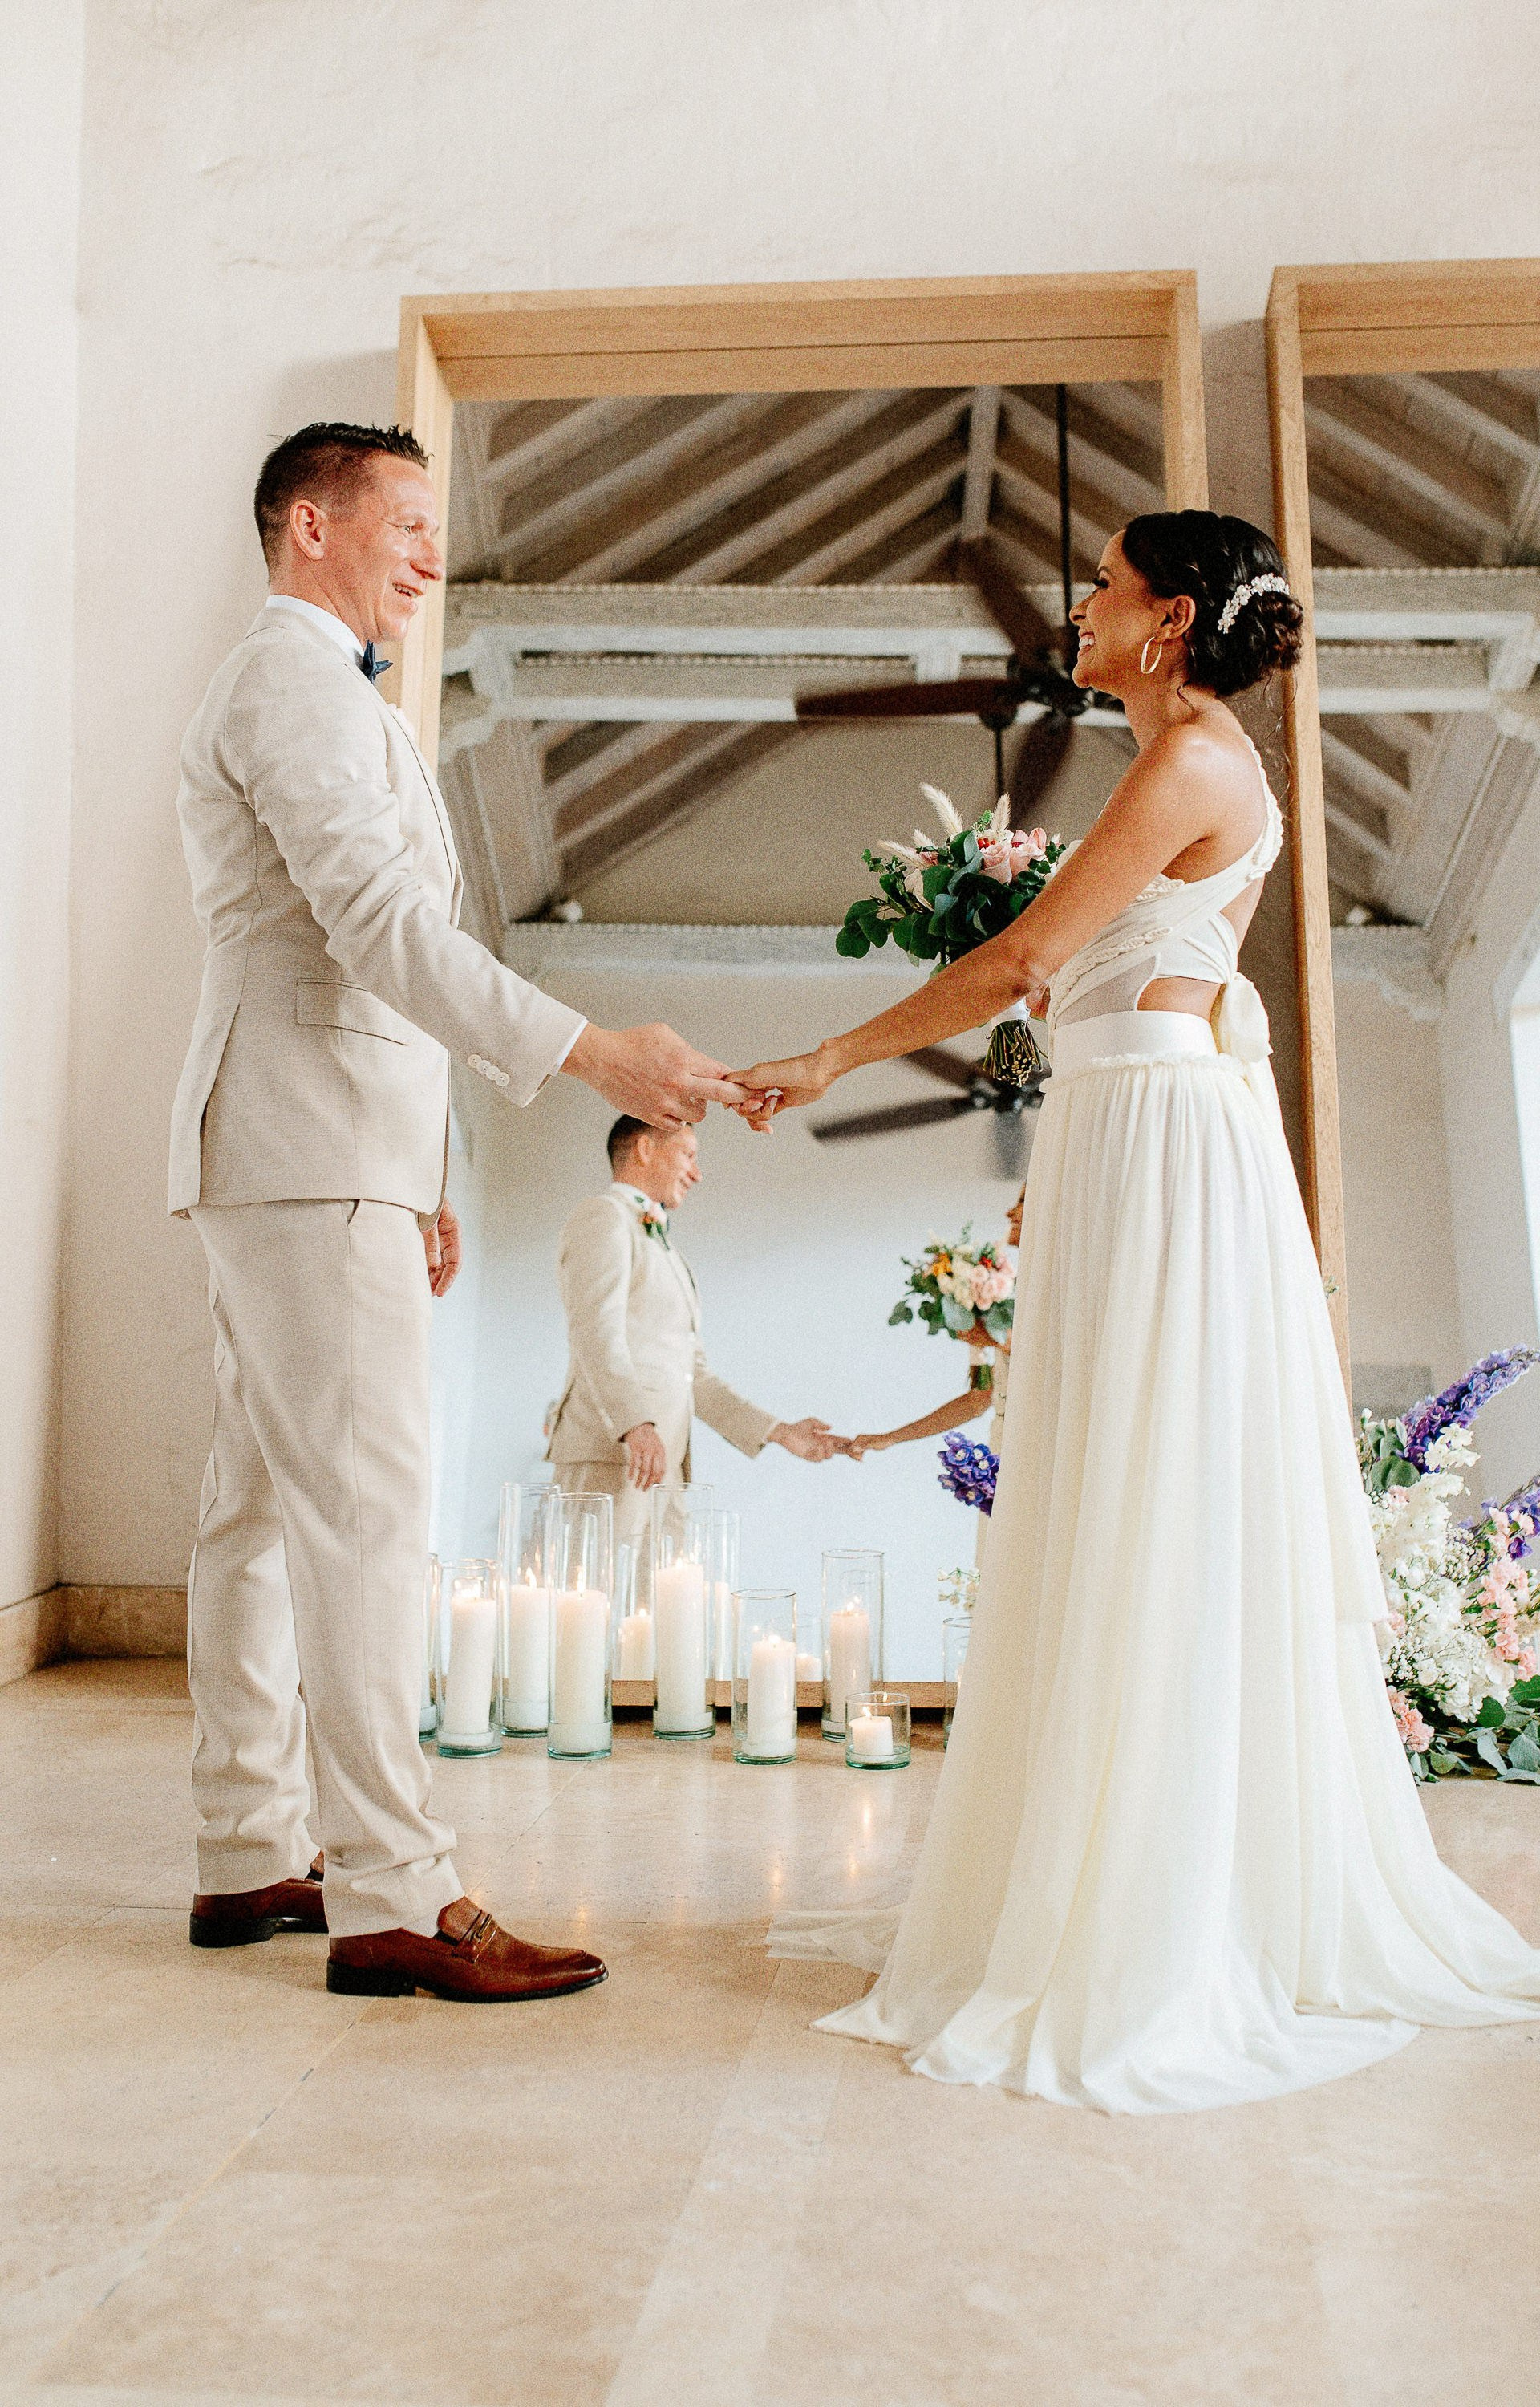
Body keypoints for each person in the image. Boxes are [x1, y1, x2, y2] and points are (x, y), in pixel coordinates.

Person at [740, 509, 1540, 2113]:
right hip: (1121, 1126)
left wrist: (827, 1058)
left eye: (1107, 585)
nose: (1078, 604)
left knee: (1146, 1490)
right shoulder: (1173, 755)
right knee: (1103, 1481)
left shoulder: (1191, 757)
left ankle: (1155, 1908)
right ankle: (1082, 1870)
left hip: (1151, 1133)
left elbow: (1022, 967)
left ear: (1170, 614)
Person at [173, 421, 747, 2004]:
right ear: (309, 524)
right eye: (406, 522)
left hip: (299, 1139)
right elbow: (371, 925)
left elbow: (343, 943)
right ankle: (392, 1894)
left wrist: (420, 1170)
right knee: (358, 1513)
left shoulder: (319, 690)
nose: (432, 555)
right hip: (302, 1141)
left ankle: (248, 1849)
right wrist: (584, 1048)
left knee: (252, 1506)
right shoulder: (293, 679)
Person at [549, 1117, 842, 1545]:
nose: (696, 1172)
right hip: (613, 1453)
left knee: (658, 1608)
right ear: (645, 1150)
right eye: (688, 1155)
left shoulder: (666, 1250)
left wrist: (780, 1432)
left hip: (664, 1463)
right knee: (593, 1600)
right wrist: (635, 1426)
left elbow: (693, 1376)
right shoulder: (603, 1216)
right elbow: (595, 1331)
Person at [846, 1187, 1023, 1476]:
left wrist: (994, 1341)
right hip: (1004, 1448)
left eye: (1023, 1202)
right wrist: (890, 1438)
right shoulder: (992, 1297)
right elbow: (979, 1399)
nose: (1010, 1212)